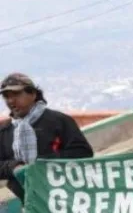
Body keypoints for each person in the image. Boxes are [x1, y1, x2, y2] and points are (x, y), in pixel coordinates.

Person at [0, 73, 93, 201]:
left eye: (16, 94)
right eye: (6, 96)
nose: (10, 101)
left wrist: (40, 164)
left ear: (32, 94)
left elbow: (83, 152)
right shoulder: (5, 131)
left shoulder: (58, 121)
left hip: (64, 198)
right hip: (28, 202)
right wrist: (15, 167)